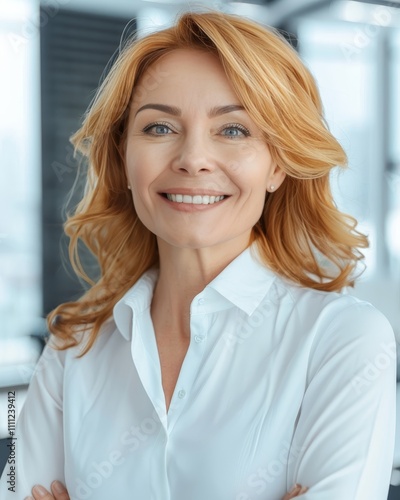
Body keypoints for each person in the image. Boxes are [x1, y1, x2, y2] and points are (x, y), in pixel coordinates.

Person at [0, 9, 396, 500]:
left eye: (233, 131)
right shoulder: (73, 349)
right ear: (123, 157)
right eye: (159, 128)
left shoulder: (342, 340)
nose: (191, 158)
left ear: (278, 166)